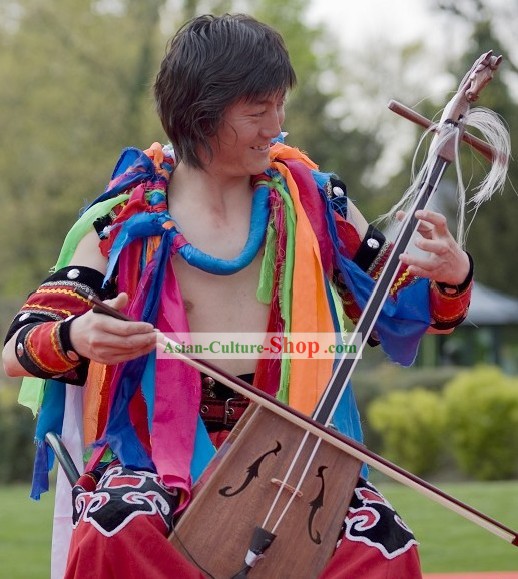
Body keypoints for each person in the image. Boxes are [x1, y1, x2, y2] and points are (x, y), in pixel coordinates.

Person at [3, 13, 473, 579]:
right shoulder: (122, 219)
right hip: (152, 451)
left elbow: (402, 316)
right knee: (116, 525)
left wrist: (450, 275)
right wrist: (77, 335)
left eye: (280, 106)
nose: (276, 126)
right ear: (200, 113)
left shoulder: (314, 202)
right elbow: (16, 349)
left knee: (382, 546)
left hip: (289, 448)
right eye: (257, 110)